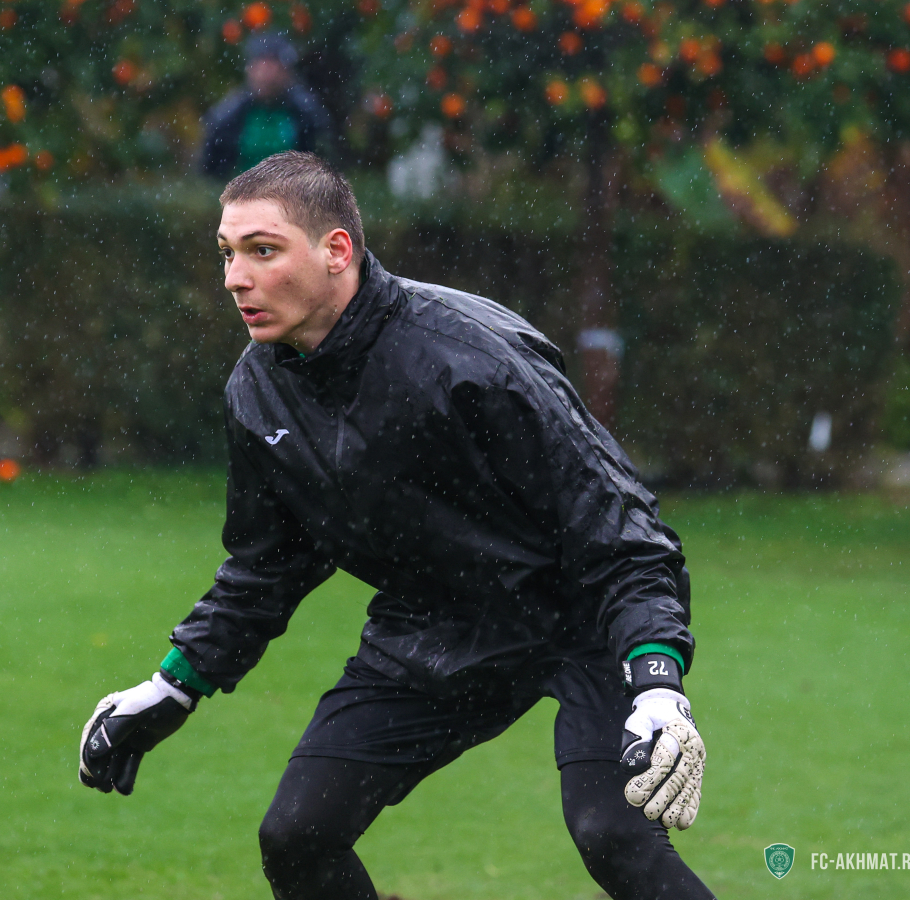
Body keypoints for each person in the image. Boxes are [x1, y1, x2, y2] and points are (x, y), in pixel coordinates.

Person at [78, 151, 713, 900]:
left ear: (336, 250)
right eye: (227, 253)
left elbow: (619, 528)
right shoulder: (256, 390)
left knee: (616, 836)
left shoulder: (468, 354)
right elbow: (268, 566)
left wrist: (657, 682)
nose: (235, 278)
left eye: (262, 250)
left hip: (581, 616)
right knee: (297, 837)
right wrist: (173, 685)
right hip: (432, 629)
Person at [199, 34, 332, 179]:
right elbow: (211, 170)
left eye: (274, 66)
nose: (267, 74)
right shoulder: (228, 116)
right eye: (262, 66)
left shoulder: (307, 114)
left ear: (287, 72)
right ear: (250, 70)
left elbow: (324, 159)